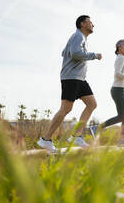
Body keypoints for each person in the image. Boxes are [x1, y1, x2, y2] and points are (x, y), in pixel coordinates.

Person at [37, 15, 102, 152]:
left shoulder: (80, 38)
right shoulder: (77, 36)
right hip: (71, 78)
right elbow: (75, 53)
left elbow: (65, 52)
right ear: (82, 24)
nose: (93, 25)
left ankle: (76, 136)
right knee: (65, 109)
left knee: (92, 104)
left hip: (79, 78)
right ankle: (46, 140)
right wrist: (94, 55)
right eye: (90, 22)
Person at [90, 39, 124, 145]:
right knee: (122, 116)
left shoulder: (123, 59)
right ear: (119, 47)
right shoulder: (120, 58)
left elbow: (121, 76)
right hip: (117, 90)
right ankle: (97, 128)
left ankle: (122, 139)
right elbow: (117, 74)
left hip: (121, 90)